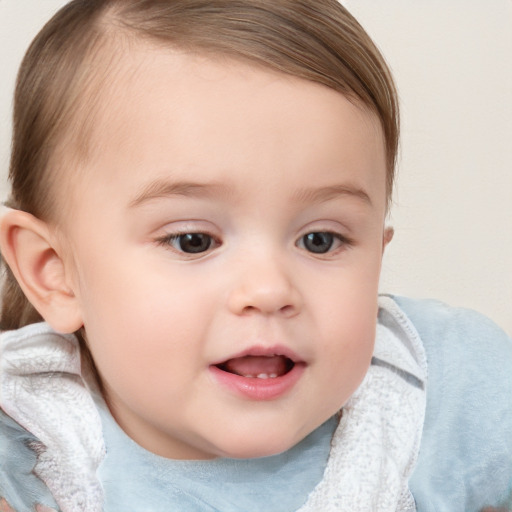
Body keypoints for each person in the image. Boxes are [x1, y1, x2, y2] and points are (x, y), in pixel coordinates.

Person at [0, 1, 510, 511]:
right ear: (55, 272)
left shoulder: (456, 393)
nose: (269, 289)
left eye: (320, 240)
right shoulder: (24, 446)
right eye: (193, 240)